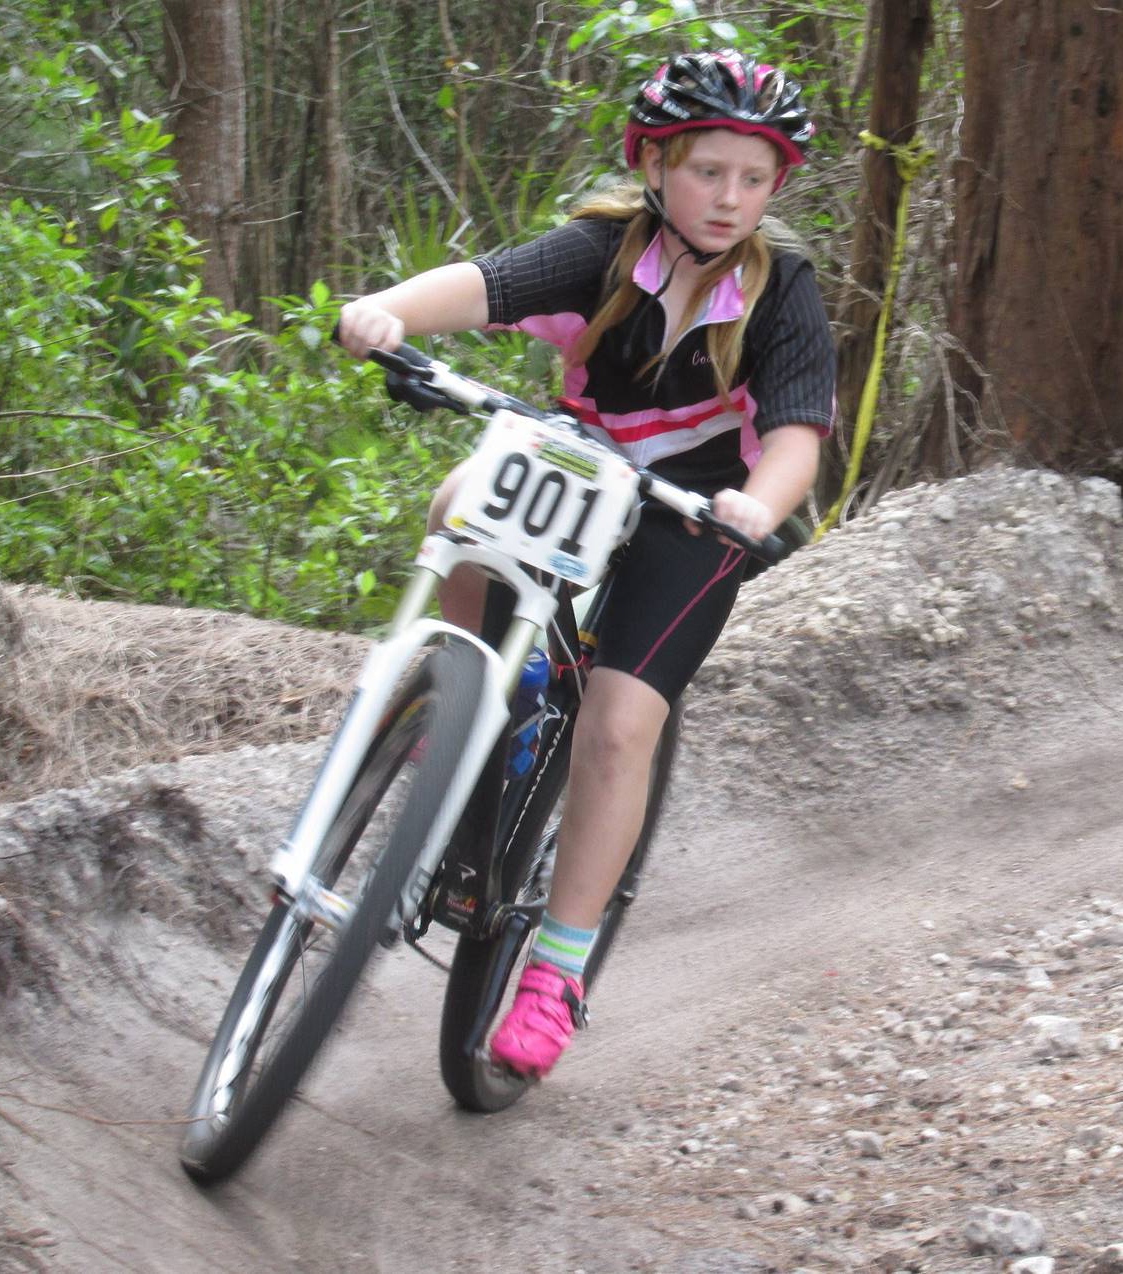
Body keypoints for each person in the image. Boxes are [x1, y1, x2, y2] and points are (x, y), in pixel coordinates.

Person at [336, 50, 835, 1082]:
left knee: (617, 723)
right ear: (656, 164)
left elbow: (795, 436)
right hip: (584, 455)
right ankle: (479, 691)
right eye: (708, 171)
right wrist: (389, 308)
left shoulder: (784, 291)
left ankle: (556, 969)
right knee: (454, 506)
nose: (729, 198)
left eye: (753, 178)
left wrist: (759, 502)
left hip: (699, 508)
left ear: (775, 185)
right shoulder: (606, 248)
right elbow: (488, 285)